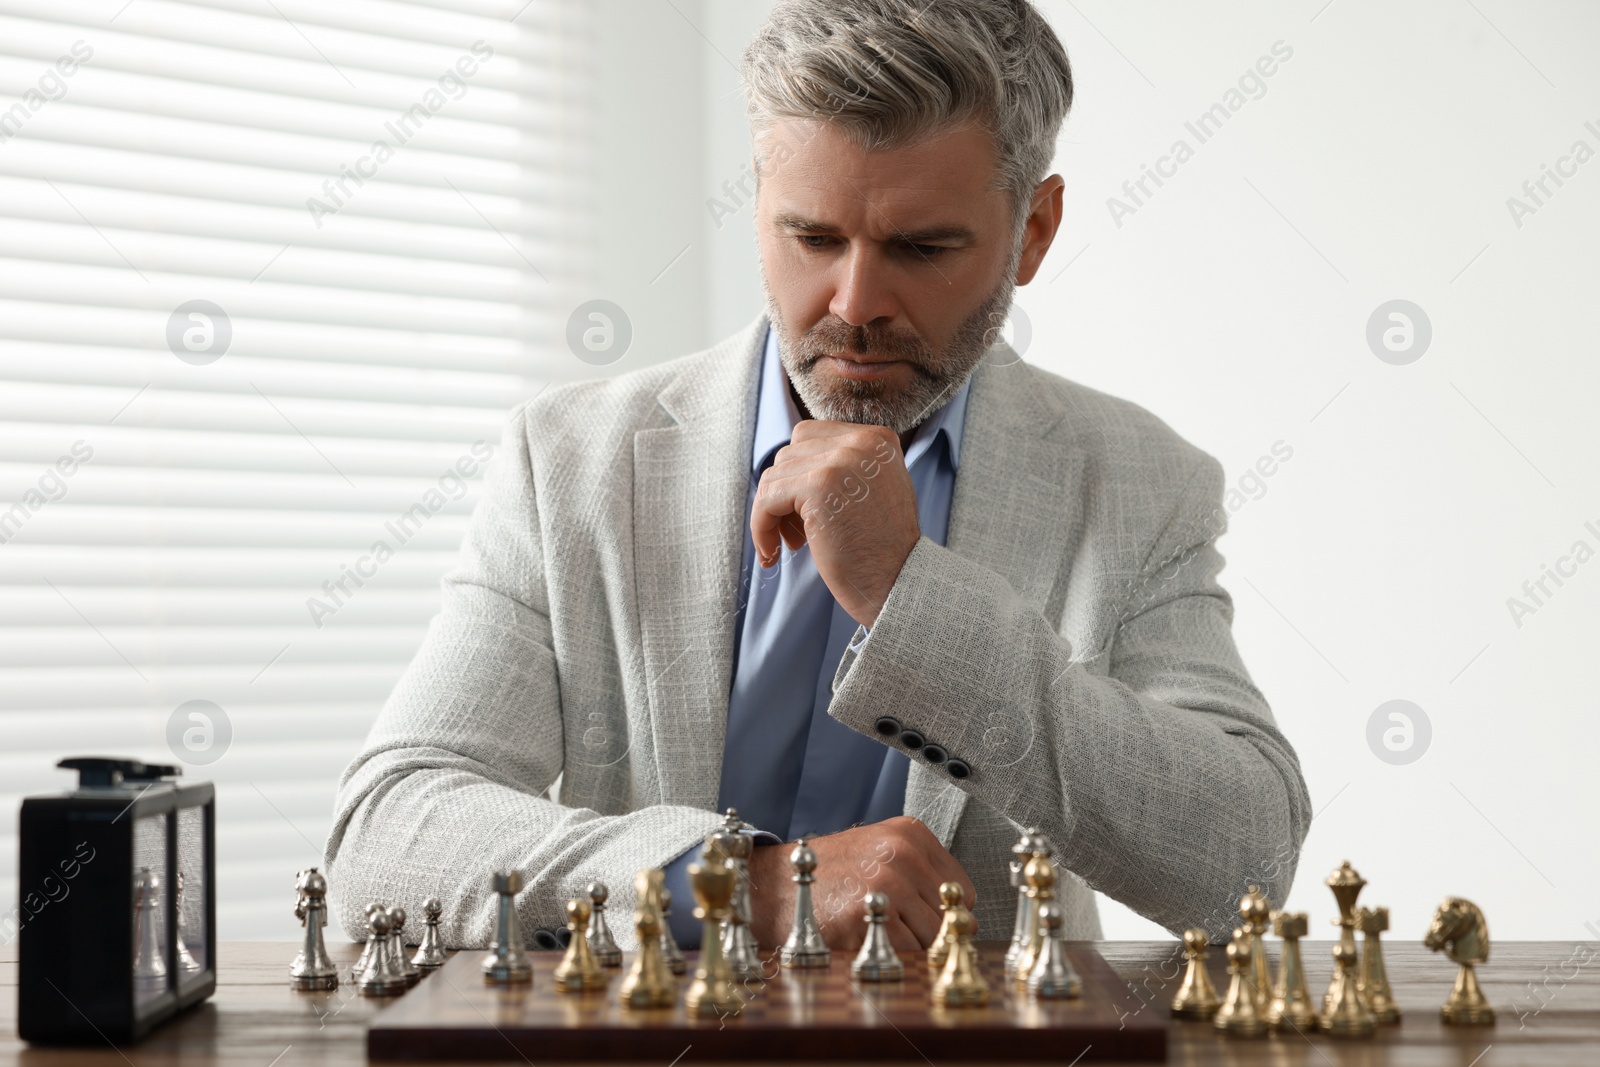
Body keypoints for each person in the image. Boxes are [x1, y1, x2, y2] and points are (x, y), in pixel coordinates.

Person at [327, 0, 1309, 953]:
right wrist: (742, 887)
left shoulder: (1137, 482)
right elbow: (388, 833)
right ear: (757, 203)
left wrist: (908, 596)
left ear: (1034, 232)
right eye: (812, 236)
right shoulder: (569, 461)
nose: (856, 301)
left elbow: (1241, 860)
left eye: (922, 247)